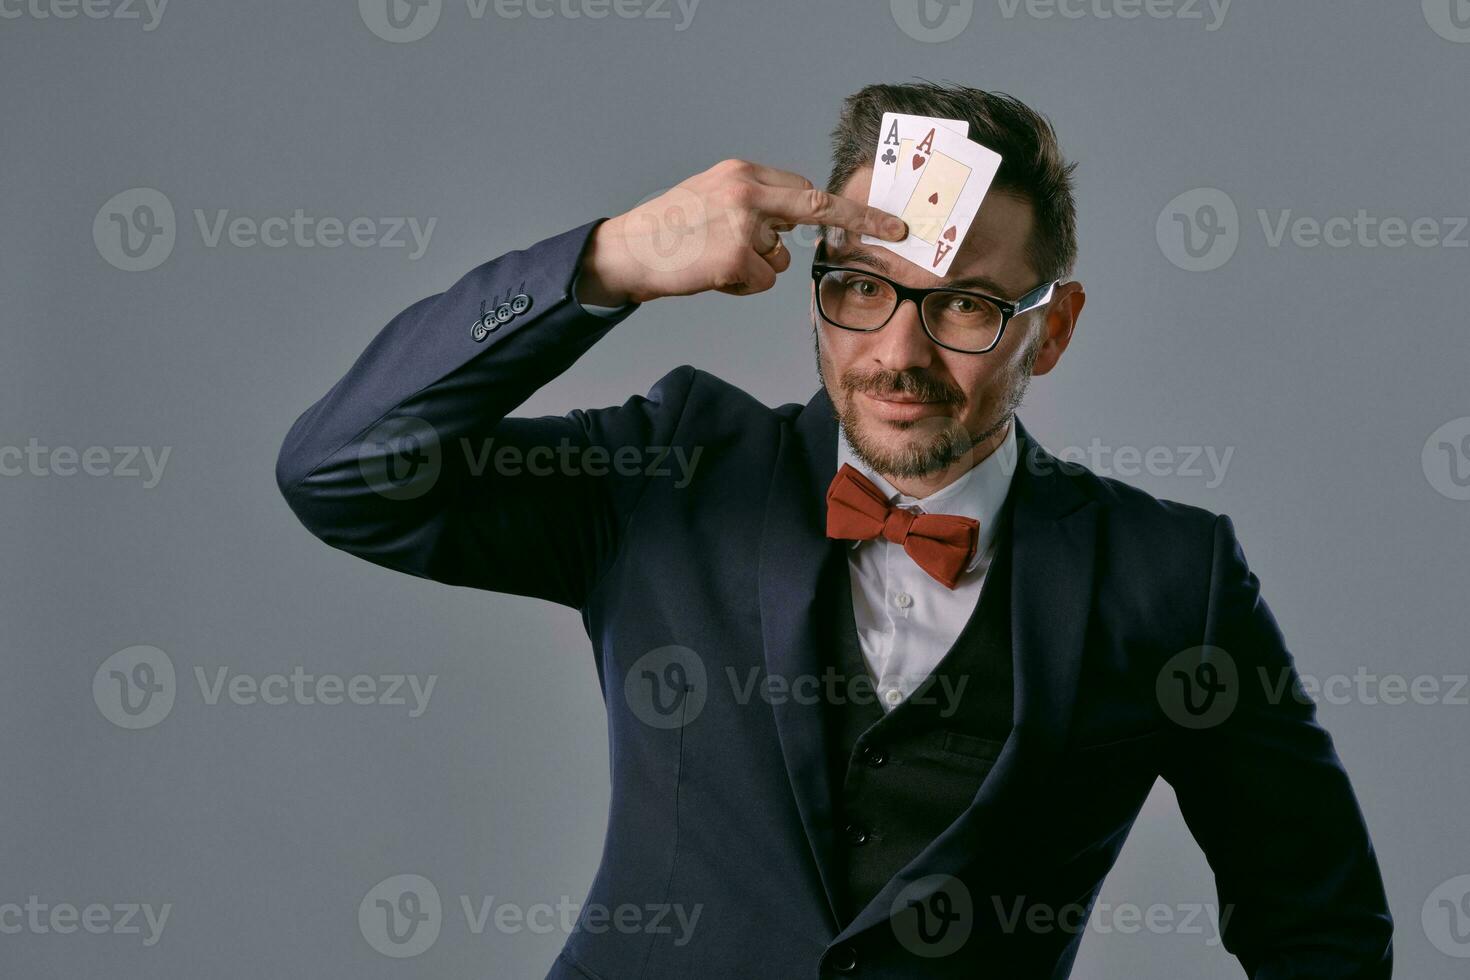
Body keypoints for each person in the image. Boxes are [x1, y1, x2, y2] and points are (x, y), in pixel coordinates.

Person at [275, 82, 1392, 978]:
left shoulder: (1170, 576)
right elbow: (342, 472)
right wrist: (606, 261)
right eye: (862, 287)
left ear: (1050, 334)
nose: (897, 353)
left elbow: (1321, 923)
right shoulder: (675, 467)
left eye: (963, 304)